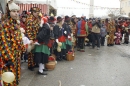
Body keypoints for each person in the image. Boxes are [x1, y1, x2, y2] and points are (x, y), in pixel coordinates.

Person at [0, 1, 25, 85]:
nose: (16, 13)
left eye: (17, 11)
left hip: (17, 56)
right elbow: (4, 43)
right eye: (14, 11)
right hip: (9, 58)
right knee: (8, 79)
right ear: (8, 11)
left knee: (16, 77)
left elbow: (19, 38)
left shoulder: (16, 24)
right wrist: (9, 58)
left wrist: (22, 48)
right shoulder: (4, 25)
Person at [25, 7, 41, 71]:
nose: (38, 14)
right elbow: (28, 30)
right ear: (33, 12)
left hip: (36, 38)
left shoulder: (37, 19)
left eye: (38, 13)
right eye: (36, 13)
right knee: (30, 53)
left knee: (35, 52)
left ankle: (35, 63)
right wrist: (30, 39)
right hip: (31, 38)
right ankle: (30, 65)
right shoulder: (29, 19)